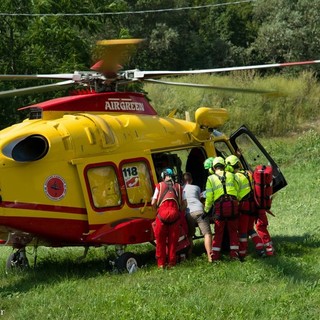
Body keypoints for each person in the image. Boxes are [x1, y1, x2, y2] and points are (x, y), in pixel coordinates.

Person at [225, 155, 265, 260]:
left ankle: (242, 253)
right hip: (253, 205)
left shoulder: (235, 177)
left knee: (242, 231)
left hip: (244, 206)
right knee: (250, 228)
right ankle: (260, 247)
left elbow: (236, 193)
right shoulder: (248, 173)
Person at [203, 157, 240, 261]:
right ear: (224, 166)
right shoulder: (232, 175)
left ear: (214, 168)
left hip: (220, 208)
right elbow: (237, 189)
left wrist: (206, 211)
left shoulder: (210, 179)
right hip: (233, 205)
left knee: (218, 232)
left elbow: (209, 197)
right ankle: (234, 255)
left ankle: (215, 256)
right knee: (233, 231)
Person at [151, 168, 186, 268]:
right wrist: (179, 211)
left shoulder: (159, 186)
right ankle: (172, 263)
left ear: (162, 176)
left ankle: (161, 264)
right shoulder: (179, 187)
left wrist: (156, 210)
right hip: (175, 216)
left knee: (160, 241)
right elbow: (185, 204)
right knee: (173, 242)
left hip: (161, 216)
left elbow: (153, 202)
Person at [183, 172, 212, 262]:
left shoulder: (181, 189)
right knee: (207, 234)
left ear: (182, 181)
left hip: (188, 213)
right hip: (199, 211)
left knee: (189, 235)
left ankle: (189, 254)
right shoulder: (196, 187)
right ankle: (210, 256)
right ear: (191, 180)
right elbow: (199, 198)